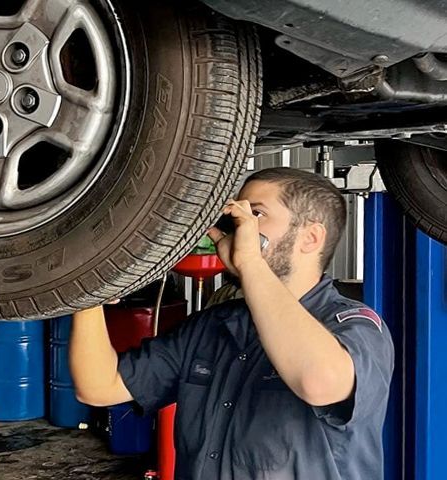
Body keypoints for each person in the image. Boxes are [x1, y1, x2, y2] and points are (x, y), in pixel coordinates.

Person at [69, 167, 394, 480]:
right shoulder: (213, 326)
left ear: (310, 237)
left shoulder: (355, 327)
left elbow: (319, 381)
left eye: (256, 214)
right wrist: (89, 294)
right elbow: (98, 387)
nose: (242, 228)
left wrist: (251, 262)